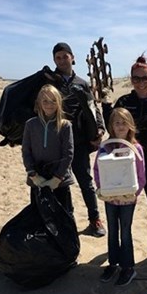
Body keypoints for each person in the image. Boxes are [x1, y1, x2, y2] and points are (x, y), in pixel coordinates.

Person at [103, 55, 147, 265]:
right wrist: (106, 106)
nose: (140, 82)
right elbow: (112, 127)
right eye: (136, 78)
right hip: (125, 161)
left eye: (144, 78)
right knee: (118, 206)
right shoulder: (124, 102)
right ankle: (117, 251)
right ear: (131, 80)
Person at [45, 42, 105, 237]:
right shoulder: (49, 83)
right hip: (56, 142)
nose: (62, 60)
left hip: (78, 141)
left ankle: (94, 220)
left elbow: (92, 106)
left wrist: (100, 128)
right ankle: (63, 223)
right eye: (58, 57)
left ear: (72, 57)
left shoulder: (81, 82)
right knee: (60, 182)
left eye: (65, 56)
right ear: (54, 60)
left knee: (85, 181)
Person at [93, 106, 146, 286]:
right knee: (112, 232)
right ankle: (113, 263)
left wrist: (133, 193)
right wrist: (102, 189)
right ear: (111, 126)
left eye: (124, 123)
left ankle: (128, 267)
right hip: (110, 198)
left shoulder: (136, 147)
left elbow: (141, 175)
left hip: (127, 200)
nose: (121, 126)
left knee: (125, 231)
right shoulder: (106, 147)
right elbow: (97, 169)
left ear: (130, 124)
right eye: (117, 123)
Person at [22, 85, 75, 215]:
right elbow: (26, 151)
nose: (49, 105)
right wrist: (33, 174)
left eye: (53, 101)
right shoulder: (31, 124)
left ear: (58, 102)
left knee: (63, 216)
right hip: (38, 179)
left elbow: (68, 153)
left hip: (59, 181)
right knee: (39, 215)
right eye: (45, 101)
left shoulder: (65, 125)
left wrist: (57, 178)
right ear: (39, 103)